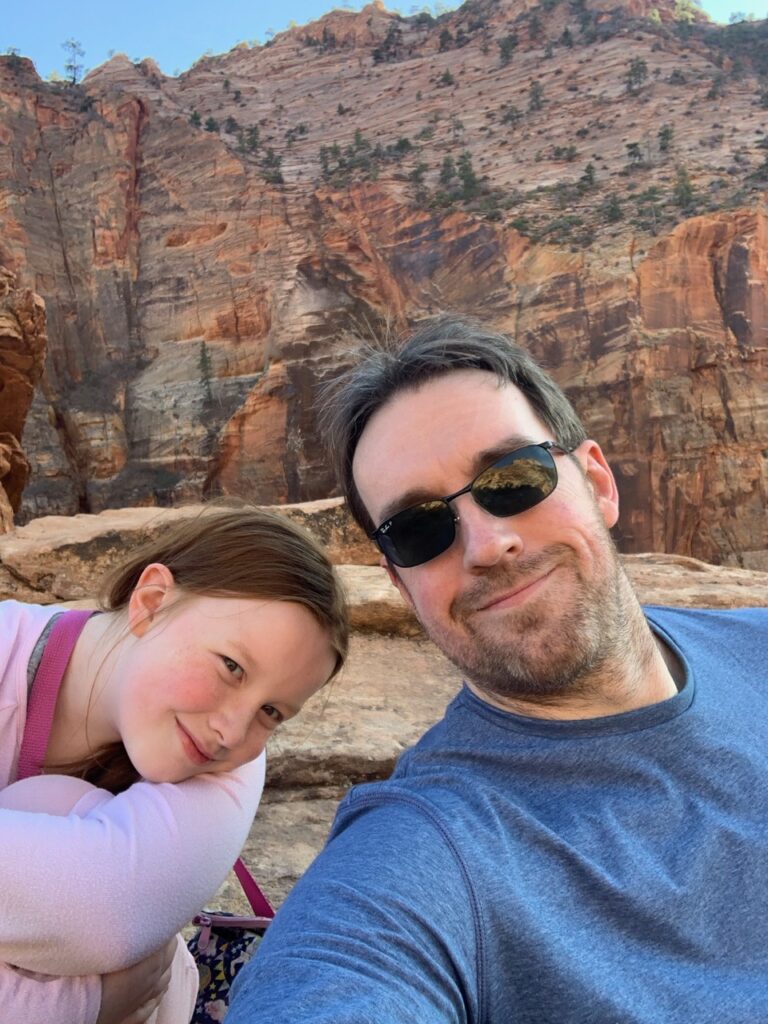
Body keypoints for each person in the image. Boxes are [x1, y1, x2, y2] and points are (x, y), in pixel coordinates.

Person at [227, 316, 768, 1023]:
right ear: (398, 582)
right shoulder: (427, 853)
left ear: (598, 482)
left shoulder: (756, 643)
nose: (487, 544)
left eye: (513, 479)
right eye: (420, 528)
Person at [0, 505, 347, 1024]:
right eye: (231, 667)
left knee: (53, 804)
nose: (232, 731)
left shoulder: (229, 767)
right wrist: (79, 1006)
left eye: (271, 712)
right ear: (151, 603)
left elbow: (104, 907)